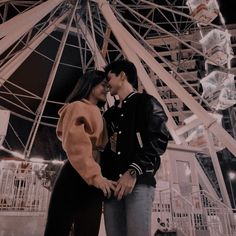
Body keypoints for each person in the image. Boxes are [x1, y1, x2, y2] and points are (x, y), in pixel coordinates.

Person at [44, 70, 116, 236]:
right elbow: (77, 144)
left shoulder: (99, 113)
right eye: (103, 85)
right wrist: (96, 176)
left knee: (88, 229)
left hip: (93, 177)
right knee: (59, 228)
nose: (106, 89)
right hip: (77, 174)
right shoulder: (77, 107)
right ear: (90, 85)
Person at [101, 59, 169, 236]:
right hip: (112, 187)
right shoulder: (110, 114)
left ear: (122, 76)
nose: (107, 84)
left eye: (109, 78)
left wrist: (133, 171)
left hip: (138, 183)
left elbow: (159, 140)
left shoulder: (146, 102)